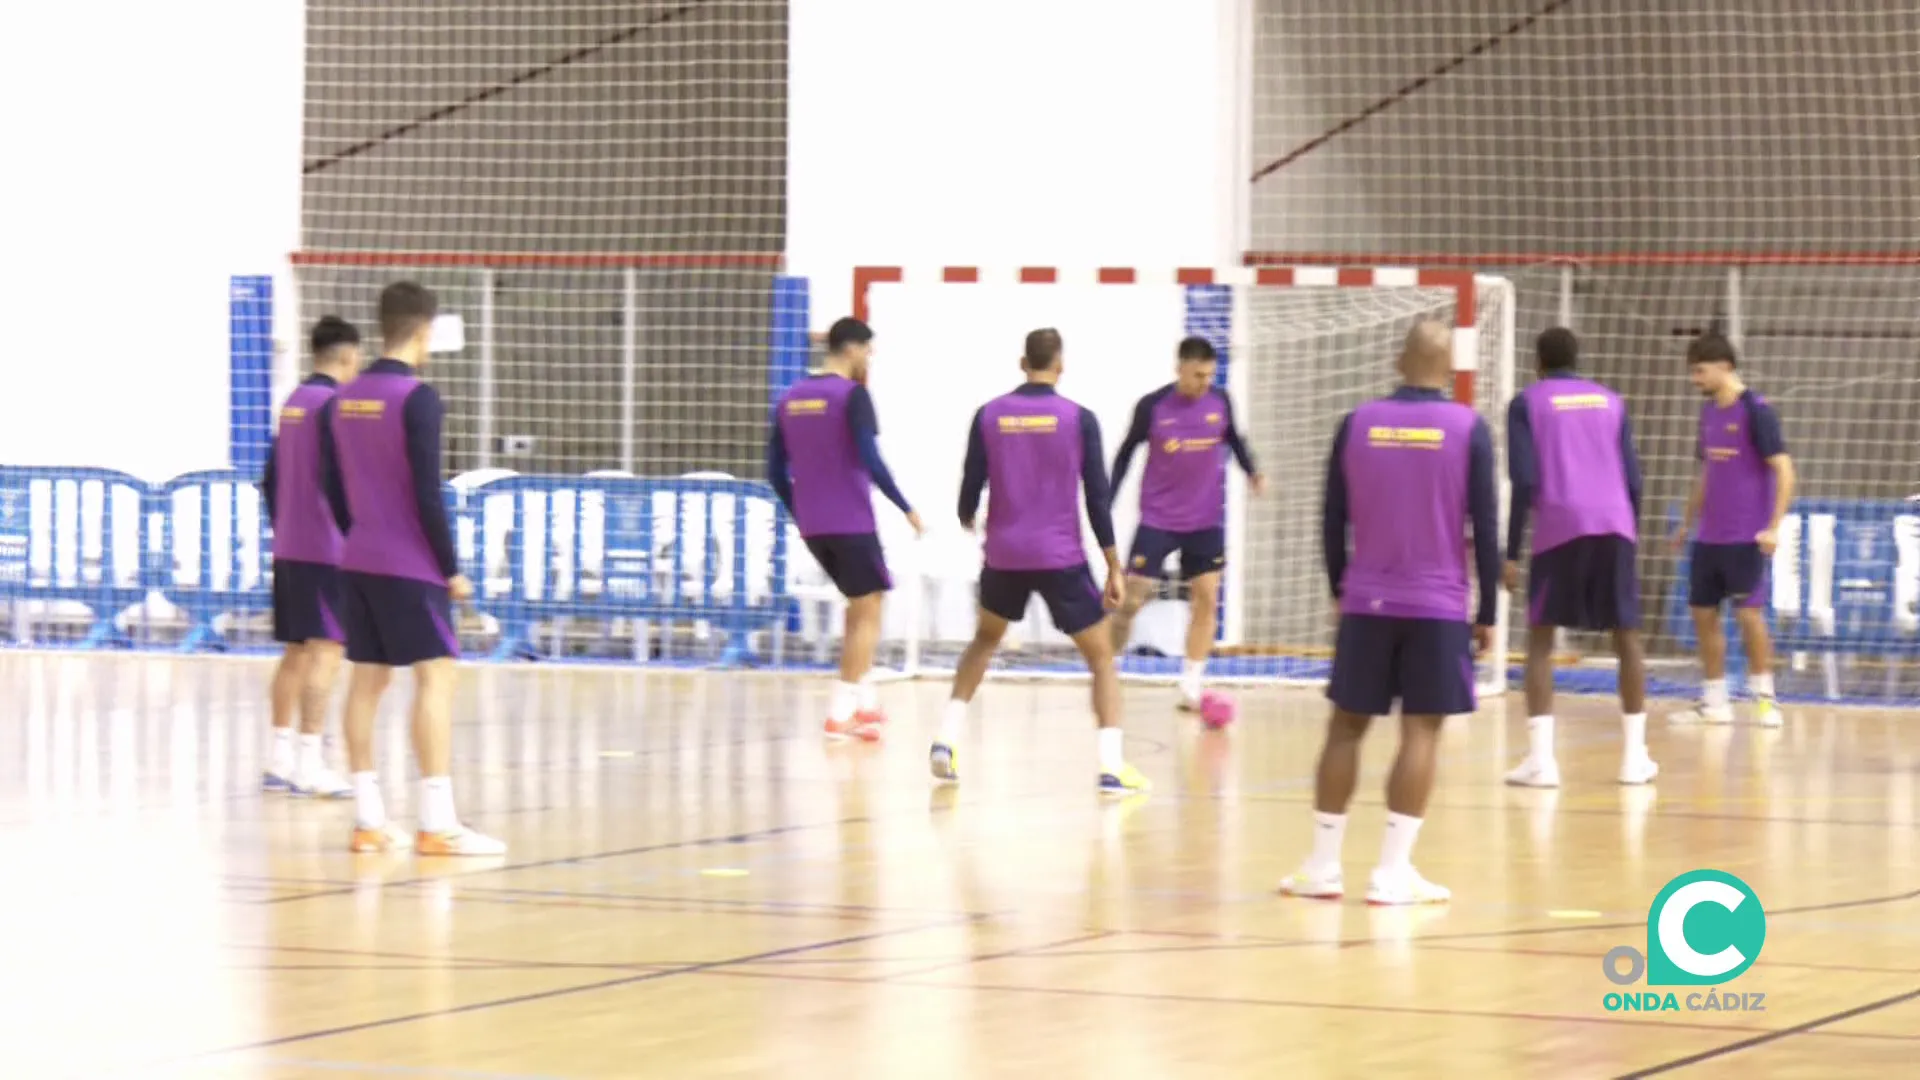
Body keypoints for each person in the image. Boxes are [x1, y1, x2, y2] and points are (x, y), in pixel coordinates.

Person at [1278, 320, 1498, 905]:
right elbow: (1487, 525)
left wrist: (1337, 587)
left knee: (1345, 727)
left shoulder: (1357, 423)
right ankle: (1392, 873)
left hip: (1366, 598)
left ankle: (1322, 867)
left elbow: (1331, 516)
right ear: (1449, 366)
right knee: (1421, 730)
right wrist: (1490, 611)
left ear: (1399, 360)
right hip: (1439, 602)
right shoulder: (1469, 428)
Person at [325, 281, 503, 856]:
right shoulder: (419, 398)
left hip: (358, 557)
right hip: (409, 561)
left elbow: (334, 486)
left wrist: (361, 532)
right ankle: (437, 821)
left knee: (367, 680)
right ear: (425, 329)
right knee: (437, 676)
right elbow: (429, 493)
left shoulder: (344, 398)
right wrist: (450, 568)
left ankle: (370, 819)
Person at [929, 328, 1147, 793]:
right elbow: (1097, 497)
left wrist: (968, 517)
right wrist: (1112, 564)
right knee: (1102, 657)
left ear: (1022, 362)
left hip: (1005, 555)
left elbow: (970, 487)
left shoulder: (988, 415)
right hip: (1059, 556)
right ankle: (1112, 767)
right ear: (1060, 365)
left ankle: (946, 739)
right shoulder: (1078, 419)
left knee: (984, 641)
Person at [1502, 328, 1657, 787]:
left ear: (1538, 363)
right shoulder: (1611, 401)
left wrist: (1511, 551)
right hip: (1615, 524)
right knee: (1626, 637)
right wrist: (1632, 531)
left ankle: (1542, 761)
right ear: (1578, 358)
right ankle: (1633, 759)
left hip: (1559, 526)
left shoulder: (1526, 403)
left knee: (1540, 641)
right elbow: (1634, 479)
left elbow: (1524, 479)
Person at [767, 316, 923, 740]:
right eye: (867, 350)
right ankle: (841, 712)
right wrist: (904, 505)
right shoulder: (852, 397)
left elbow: (774, 472)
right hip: (850, 520)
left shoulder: (790, 398)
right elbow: (871, 459)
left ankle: (865, 702)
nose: (868, 358)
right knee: (868, 609)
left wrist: (800, 513)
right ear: (852, 348)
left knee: (862, 604)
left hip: (814, 525)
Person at [1106, 337, 1265, 711]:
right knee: (1132, 598)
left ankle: (1191, 683)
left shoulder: (1221, 401)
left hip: (1205, 520)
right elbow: (1126, 453)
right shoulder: (1152, 407)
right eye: (1197, 375)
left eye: (1209, 375)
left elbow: (1236, 441)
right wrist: (1107, 498)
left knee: (1207, 598)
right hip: (1159, 518)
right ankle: (1106, 669)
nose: (1204, 382)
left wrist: (1253, 472)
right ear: (1180, 368)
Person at [1668, 332, 1794, 727]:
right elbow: (1706, 472)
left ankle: (1764, 698)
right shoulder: (1708, 414)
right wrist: (1688, 522)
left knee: (1749, 616)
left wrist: (1773, 527)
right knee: (1702, 614)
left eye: (1700, 371)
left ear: (1725, 366)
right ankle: (1714, 701)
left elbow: (1785, 470)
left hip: (1746, 537)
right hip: (1709, 538)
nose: (1695, 379)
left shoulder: (1756, 410)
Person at [258, 315, 362, 798]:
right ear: (347, 356)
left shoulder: (294, 403)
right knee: (327, 649)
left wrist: (285, 526)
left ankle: (279, 758)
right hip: (326, 547)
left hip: (290, 545)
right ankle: (310, 761)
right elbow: (346, 480)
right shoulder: (336, 406)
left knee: (296, 651)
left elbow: (270, 478)